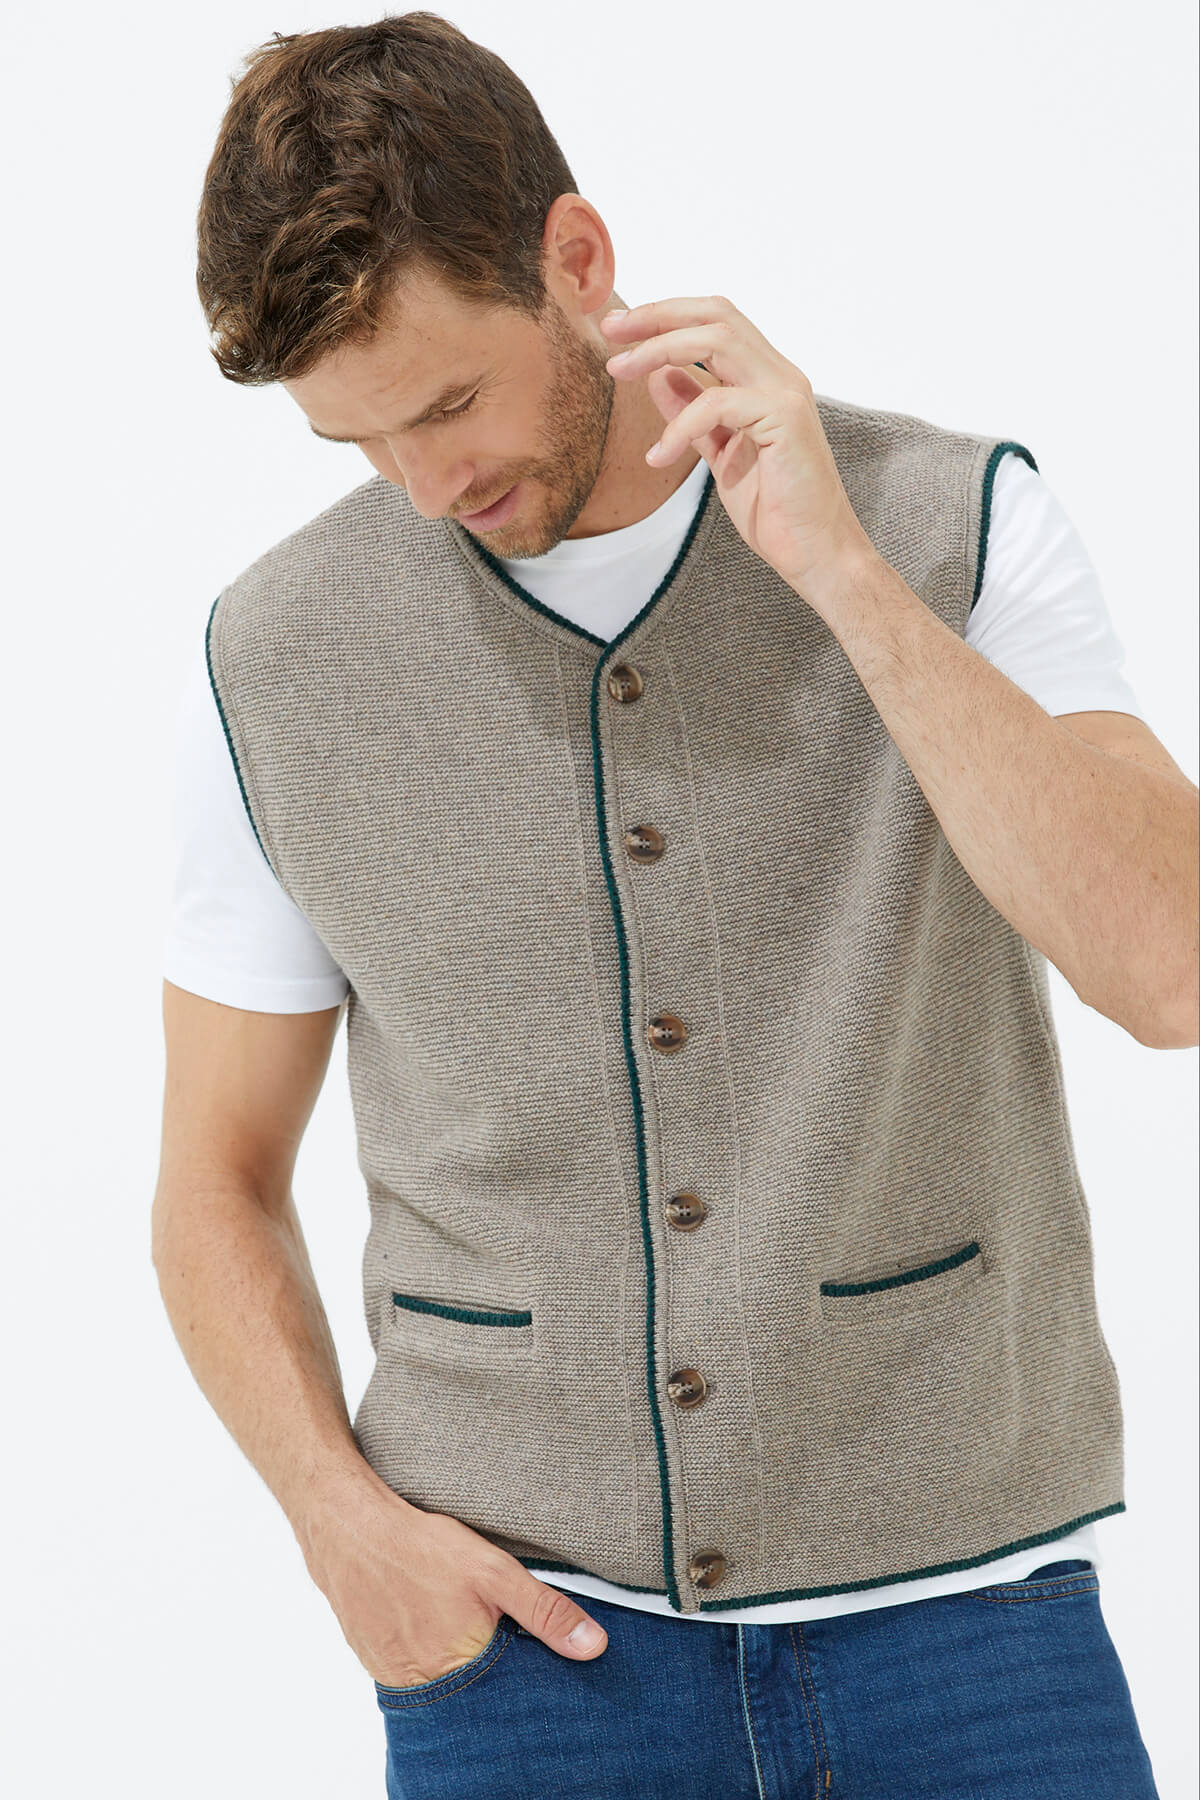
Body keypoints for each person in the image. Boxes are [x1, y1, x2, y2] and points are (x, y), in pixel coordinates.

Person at [153, 13, 1193, 1796]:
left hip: (972, 1625)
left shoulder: (949, 523)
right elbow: (211, 1183)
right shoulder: (274, 660)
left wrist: (840, 575)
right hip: (526, 1655)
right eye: (359, 443)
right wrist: (339, 1526)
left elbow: (1169, 971)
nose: (428, 489)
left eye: (448, 405)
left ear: (578, 260)